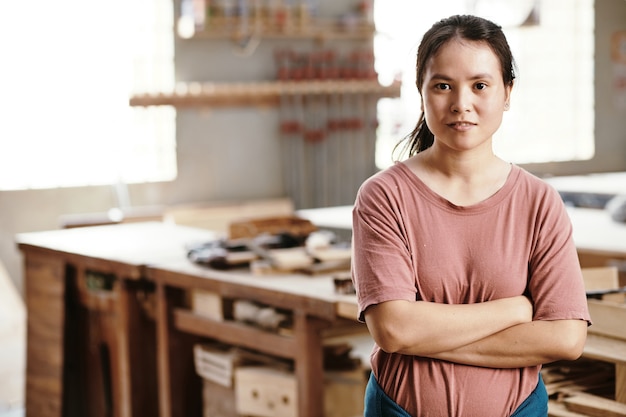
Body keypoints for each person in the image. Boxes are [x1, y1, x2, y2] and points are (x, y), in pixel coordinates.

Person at [351, 14, 591, 417]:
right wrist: (514, 310)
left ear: (507, 92)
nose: (461, 104)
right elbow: (393, 329)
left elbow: (566, 338)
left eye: (480, 85)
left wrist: (422, 337)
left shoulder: (539, 202)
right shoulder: (383, 197)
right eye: (443, 86)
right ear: (421, 92)